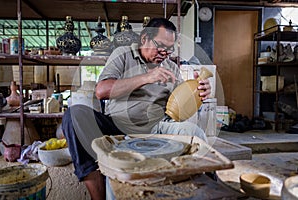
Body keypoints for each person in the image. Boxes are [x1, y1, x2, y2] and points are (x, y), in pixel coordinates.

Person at [62, 18, 211, 200]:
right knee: (74, 115)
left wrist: (197, 93)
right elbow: (102, 91)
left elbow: (180, 107)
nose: (165, 53)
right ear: (144, 39)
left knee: (195, 134)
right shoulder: (123, 54)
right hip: (116, 127)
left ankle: (208, 191)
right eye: (160, 45)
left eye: (169, 48)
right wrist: (146, 77)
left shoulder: (171, 67)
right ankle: (98, 196)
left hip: (158, 128)